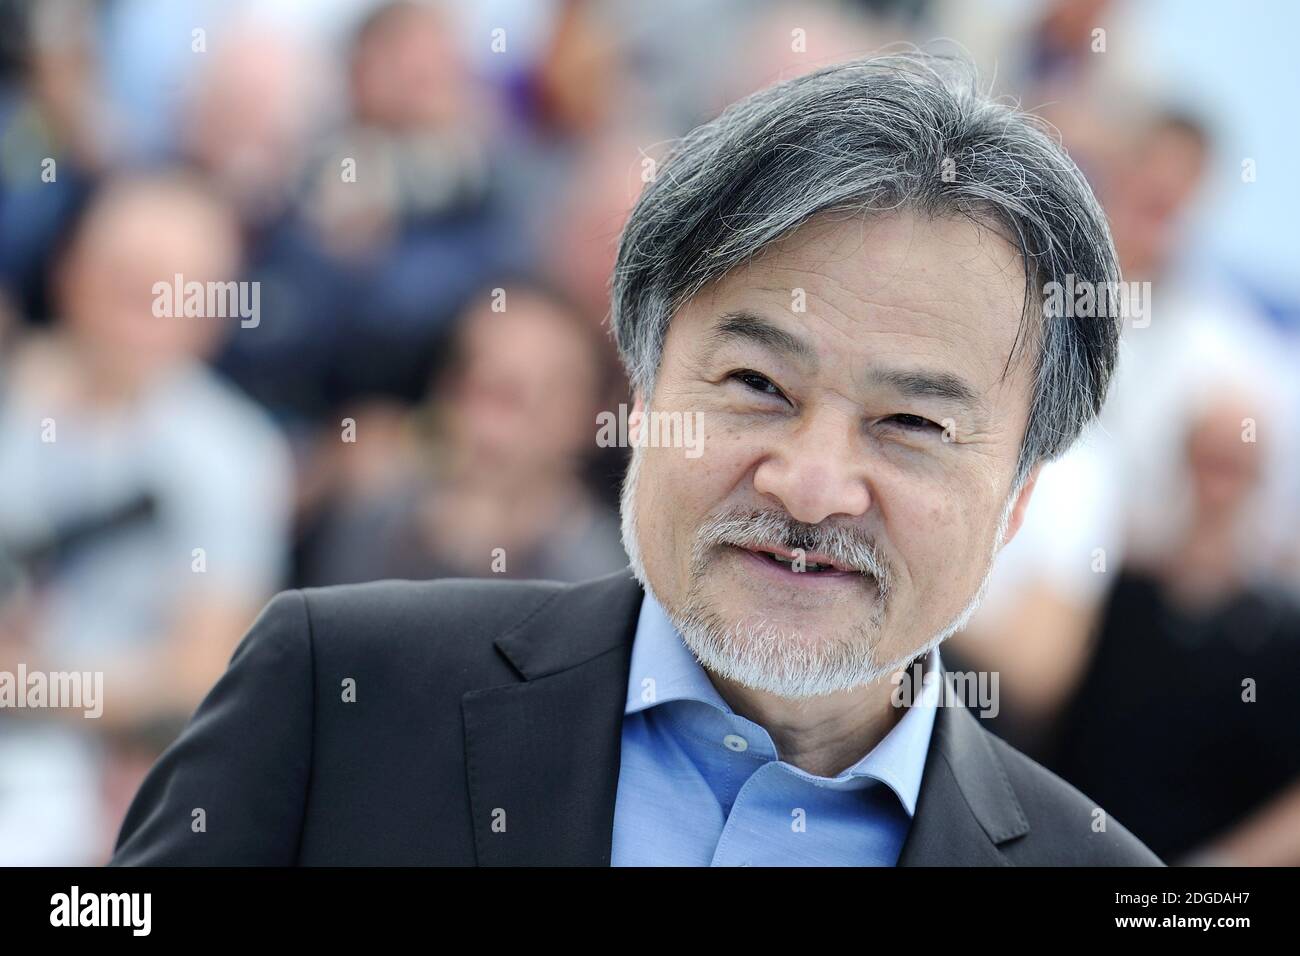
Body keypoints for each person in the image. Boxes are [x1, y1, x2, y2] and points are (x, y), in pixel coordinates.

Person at [110, 53, 1161, 866]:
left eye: (913, 425)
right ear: (646, 389)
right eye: (756, 385)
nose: (808, 483)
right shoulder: (339, 693)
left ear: (1019, 496)